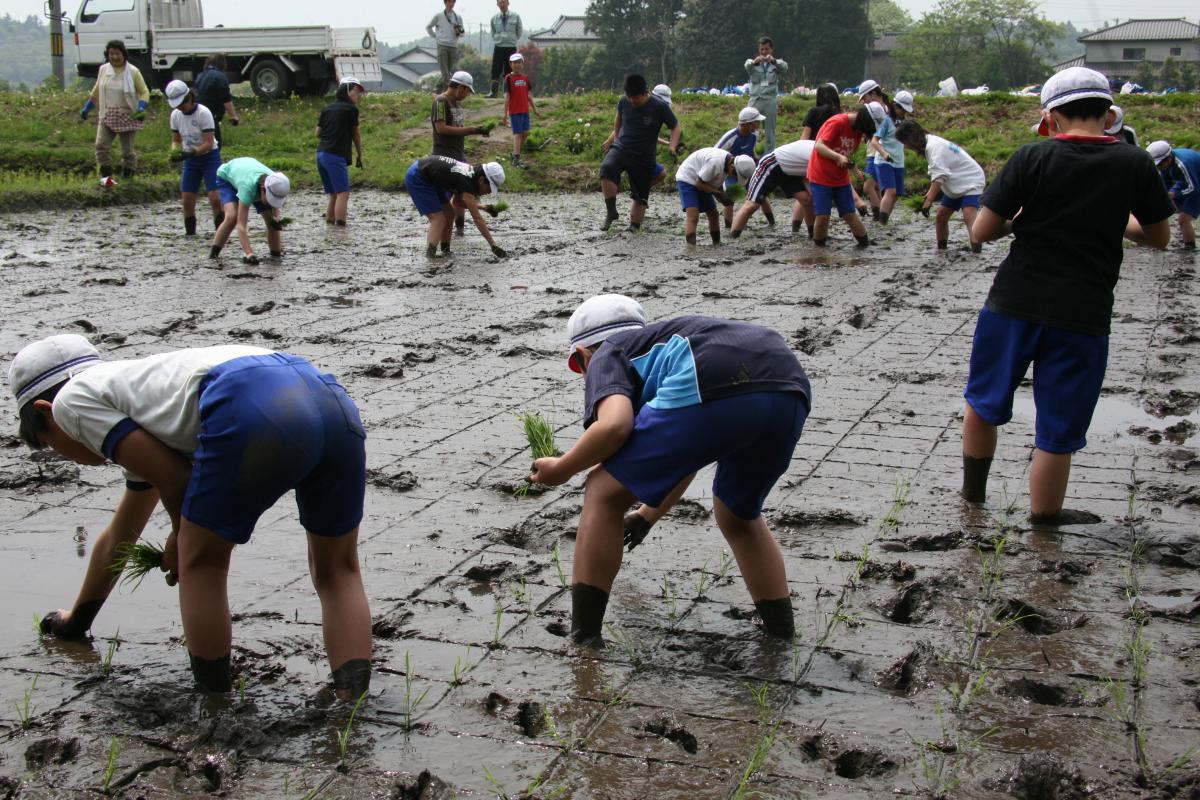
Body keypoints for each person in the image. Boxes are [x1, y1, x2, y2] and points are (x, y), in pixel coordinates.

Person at [10, 334, 372, 698]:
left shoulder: (71, 402)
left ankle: (215, 706)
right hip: (329, 401)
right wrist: (76, 622)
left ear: (45, 410)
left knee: (202, 562)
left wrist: (178, 539)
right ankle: (352, 702)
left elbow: (177, 481)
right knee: (337, 569)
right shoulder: (144, 403)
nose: (63, 454)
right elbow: (122, 533)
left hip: (252, 402)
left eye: (49, 444)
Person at [527, 295, 812, 645]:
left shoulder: (607, 354)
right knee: (738, 516)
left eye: (579, 368)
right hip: (787, 383)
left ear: (582, 355)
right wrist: (646, 515)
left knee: (602, 489)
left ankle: (585, 639)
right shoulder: (666, 347)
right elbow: (685, 454)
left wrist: (562, 469)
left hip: (710, 378)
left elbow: (614, 426)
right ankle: (781, 634)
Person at [961, 66, 1172, 523]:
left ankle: (973, 497)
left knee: (983, 401)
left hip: (1013, 303)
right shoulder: (1134, 163)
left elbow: (982, 231)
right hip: (1083, 312)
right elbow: (1159, 237)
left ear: (1051, 116)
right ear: (1110, 113)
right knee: (1058, 428)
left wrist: (1025, 220)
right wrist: (1111, 218)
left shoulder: (1030, 157)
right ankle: (1045, 519)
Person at [599, 74, 680, 232]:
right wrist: (615, 138)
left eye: (635, 98)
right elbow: (618, 118)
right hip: (622, 148)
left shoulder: (660, 107)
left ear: (645, 93)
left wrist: (672, 146)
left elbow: (675, 126)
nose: (632, 101)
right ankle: (611, 212)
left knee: (641, 195)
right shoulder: (623, 101)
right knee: (607, 169)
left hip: (644, 156)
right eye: (629, 97)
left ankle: (634, 228)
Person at [895, 121, 986, 252]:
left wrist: (929, 200)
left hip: (970, 180)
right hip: (955, 183)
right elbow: (938, 173)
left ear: (911, 137)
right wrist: (928, 195)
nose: (905, 146)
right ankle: (941, 249)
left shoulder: (934, 146)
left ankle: (976, 250)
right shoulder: (929, 143)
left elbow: (939, 176)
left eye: (904, 142)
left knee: (968, 216)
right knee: (941, 216)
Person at [404, 155, 508, 259]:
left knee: (449, 214)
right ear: (481, 180)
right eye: (490, 188)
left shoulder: (470, 175)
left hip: (430, 177)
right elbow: (478, 219)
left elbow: (458, 202)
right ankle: (430, 257)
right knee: (438, 219)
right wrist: (493, 245)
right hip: (418, 176)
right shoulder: (467, 184)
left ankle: (446, 251)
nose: (489, 192)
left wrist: (483, 207)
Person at [80, 40, 150, 186]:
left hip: (127, 115)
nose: (114, 57)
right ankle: (107, 178)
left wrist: (142, 107)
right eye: (111, 54)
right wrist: (87, 108)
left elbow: (144, 92)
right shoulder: (103, 70)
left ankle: (127, 178)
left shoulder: (133, 72)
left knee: (127, 152)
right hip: (107, 114)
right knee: (100, 146)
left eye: (117, 54)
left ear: (123, 54)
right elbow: (96, 90)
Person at [806, 105, 877, 247]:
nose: (862, 134)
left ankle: (865, 245)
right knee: (823, 216)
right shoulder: (837, 122)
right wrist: (837, 157)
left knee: (849, 213)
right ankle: (818, 251)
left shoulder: (858, 130)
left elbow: (847, 153)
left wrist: (852, 167)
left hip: (840, 177)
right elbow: (819, 146)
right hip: (821, 175)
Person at [432, 71, 493, 235]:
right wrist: (473, 130)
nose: (466, 95)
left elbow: (457, 129)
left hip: (458, 155)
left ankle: (459, 230)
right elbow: (441, 128)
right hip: (443, 156)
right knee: (444, 198)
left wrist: (477, 130)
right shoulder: (440, 101)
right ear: (460, 87)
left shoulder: (457, 105)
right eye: (467, 91)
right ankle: (443, 232)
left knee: (462, 194)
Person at [165, 80, 223, 236]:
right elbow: (176, 140)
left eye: (182, 103)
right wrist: (175, 153)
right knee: (187, 200)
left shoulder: (204, 113)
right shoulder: (176, 115)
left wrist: (191, 152)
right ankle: (190, 235)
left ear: (189, 98)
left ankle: (221, 233)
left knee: (216, 198)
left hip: (209, 158)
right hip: (190, 162)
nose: (180, 108)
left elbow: (209, 143)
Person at [208, 157, 291, 263]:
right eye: (271, 199)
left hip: (250, 175)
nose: (272, 203)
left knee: (272, 222)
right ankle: (213, 256)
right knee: (232, 217)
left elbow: (275, 211)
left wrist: (276, 217)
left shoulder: (277, 183)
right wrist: (249, 253)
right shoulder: (247, 188)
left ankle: (276, 256)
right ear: (263, 190)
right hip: (227, 178)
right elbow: (241, 226)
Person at [732, 139, 815, 239]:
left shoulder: (824, 153)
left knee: (807, 200)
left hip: (793, 170)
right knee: (752, 205)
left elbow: (807, 175)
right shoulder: (818, 153)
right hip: (771, 163)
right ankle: (733, 239)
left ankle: (813, 236)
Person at [674, 148, 755, 245]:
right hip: (687, 178)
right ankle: (691, 250)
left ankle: (716, 245)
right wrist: (718, 194)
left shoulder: (728, 164)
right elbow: (699, 184)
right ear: (732, 166)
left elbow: (714, 185)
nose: (734, 178)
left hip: (703, 180)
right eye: (735, 175)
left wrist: (722, 198)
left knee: (714, 215)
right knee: (693, 216)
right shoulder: (716, 163)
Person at [316, 76, 366, 226]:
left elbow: (317, 133)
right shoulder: (351, 109)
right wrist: (359, 153)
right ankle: (340, 226)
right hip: (335, 155)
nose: (357, 96)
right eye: (355, 92)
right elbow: (355, 133)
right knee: (343, 192)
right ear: (346, 91)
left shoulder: (327, 108)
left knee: (334, 193)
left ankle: (330, 222)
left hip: (321, 154)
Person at [716, 106, 774, 228]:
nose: (759, 124)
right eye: (757, 122)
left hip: (748, 169)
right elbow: (715, 153)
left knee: (761, 195)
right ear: (748, 124)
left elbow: (751, 152)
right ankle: (729, 227)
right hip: (731, 172)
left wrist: (759, 163)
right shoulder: (730, 137)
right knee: (729, 199)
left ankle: (772, 223)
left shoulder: (754, 135)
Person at [867, 91, 911, 225]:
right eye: (901, 108)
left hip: (898, 161)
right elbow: (874, 141)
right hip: (883, 161)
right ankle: (882, 222)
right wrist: (884, 153)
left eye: (905, 110)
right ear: (895, 106)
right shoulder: (887, 121)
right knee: (890, 191)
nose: (903, 112)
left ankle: (885, 220)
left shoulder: (904, 123)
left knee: (896, 194)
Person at [1147, 140, 1199, 250]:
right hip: (1185, 181)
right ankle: (1182, 234)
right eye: (1157, 166)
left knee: (1183, 219)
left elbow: (1193, 188)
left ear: (1169, 158)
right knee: (1169, 205)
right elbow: (1165, 185)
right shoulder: (1165, 165)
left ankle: (1190, 248)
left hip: (1196, 184)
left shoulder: (1183, 163)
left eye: (1160, 164)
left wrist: (1174, 194)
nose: (1159, 168)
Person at [744, 36, 788, 153]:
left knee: (770, 131)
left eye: (766, 49)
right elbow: (746, 65)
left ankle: (769, 156)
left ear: (771, 50)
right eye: (762, 49)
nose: (764, 52)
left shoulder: (776, 64)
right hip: (755, 99)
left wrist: (773, 61)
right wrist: (754, 62)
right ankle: (748, 153)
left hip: (769, 100)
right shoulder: (753, 64)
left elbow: (784, 68)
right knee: (749, 129)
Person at [193, 54, 239, 149]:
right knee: (215, 145)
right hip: (210, 116)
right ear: (223, 64)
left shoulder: (200, 76)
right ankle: (213, 163)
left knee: (200, 143)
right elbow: (225, 98)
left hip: (196, 114)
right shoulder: (220, 76)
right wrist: (233, 116)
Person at [503, 53, 538, 168]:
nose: (517, 65)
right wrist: (505, 114)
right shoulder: (508, 78)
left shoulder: (525, 78)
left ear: (522, 64)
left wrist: (535, 109)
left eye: (519, 62)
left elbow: (528, 95)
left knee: (526, 133)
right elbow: (507, 97)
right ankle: (517, 158)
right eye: (514, 63)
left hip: (525, 110)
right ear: (510, 65)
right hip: (515, 111)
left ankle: (515, 154)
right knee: (517, 134)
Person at [426, 0, 465, 90]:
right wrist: (436, 36)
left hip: (453, 45)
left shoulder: (458, 17)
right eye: (449, 2)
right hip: (442, 45)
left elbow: (463, 33)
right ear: (445, 3)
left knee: (450, 70)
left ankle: (440, 88)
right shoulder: (439, 16)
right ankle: (449, 89)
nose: (451, 4)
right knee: (444, 70)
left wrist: (458, 32)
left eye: (453, 2)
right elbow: (428, 27)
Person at [487, 0, 523, 98]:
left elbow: (519, 31)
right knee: (495, 69)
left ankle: (507, 93)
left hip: (510, 47)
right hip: (499, 47)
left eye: (504, 2)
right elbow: (493, 32)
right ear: (497, 4)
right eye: (500, 3)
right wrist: (498, 40)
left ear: (508, 3)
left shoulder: (516, 16)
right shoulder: (494, 18)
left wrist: (512, 39)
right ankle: (493, 92)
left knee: (509, 70)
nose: (502, 5)